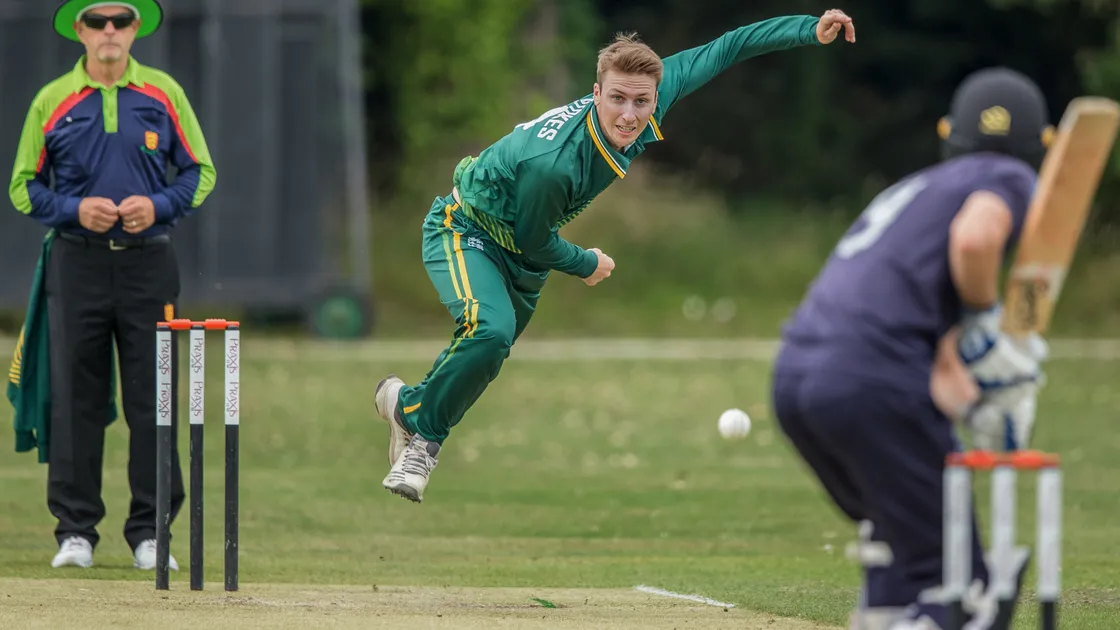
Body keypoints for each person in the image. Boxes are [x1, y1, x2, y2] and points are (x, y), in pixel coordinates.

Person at [372, 10, 858, 503]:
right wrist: (587, 263)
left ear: (655, 96)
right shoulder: (553, 166)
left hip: (523, 252)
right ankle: (424, 444)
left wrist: (808, 30)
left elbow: (727, 46)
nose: (629, 114)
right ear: (596, 93)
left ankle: (405, 407)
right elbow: (534, 237)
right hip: (467, 229)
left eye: (641, 101)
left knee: (488, 352)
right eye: (618, 99)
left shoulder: (653, 95)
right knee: (489, 330)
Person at [770, 67, 1053, 629]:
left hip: (797, 380)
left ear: (950, 132)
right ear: (1040, 144)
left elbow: (915, 321)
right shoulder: (1010, 177)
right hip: (869, 381)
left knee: (899, 549)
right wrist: (984, 318)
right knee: (960, 586)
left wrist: (972, 396)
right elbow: (976, 237)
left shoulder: (916, 188)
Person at [7, 0, 216, 570]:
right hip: (76, 263)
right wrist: (76, 209)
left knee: (154, 398)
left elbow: (201, 173)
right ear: (79, 30)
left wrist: (159, 204)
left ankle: (151, 533)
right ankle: (75, 531)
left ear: (134, 30)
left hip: (150, 263)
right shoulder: (53, 99)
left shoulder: (163, 93)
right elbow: (24, 188)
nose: (108, 31)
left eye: (120, 21)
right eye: (96, 21)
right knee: (75, 396)